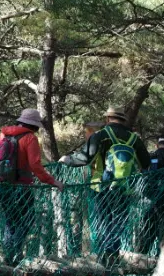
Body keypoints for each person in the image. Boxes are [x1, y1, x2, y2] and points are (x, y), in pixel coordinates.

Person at [59, 107, 150, 264]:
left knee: (102, 221)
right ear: (123, 120)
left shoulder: (100, 135)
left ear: (108, 119)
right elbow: (146, 163)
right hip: (124, 187)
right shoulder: (134, 139)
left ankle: (102, 256)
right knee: (119, 222)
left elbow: (84, 158)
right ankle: (112, 253)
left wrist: (67, 160)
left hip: (100, 186)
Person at [0, 108, 65, 264]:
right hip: (21, 188)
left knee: (11, 220)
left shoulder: (3, 135)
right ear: (35, 126)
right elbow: (35, 166)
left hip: (2, 185)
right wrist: (53, 181)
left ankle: (9, 256)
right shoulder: (30, 138)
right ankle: (16, 252)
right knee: (27, 219)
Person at [136, 132, 164, 254]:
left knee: (145, 236)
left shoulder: (148, 158)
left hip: (147, 203)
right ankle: (161, 263)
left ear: (157, 145)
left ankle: (140, 260)